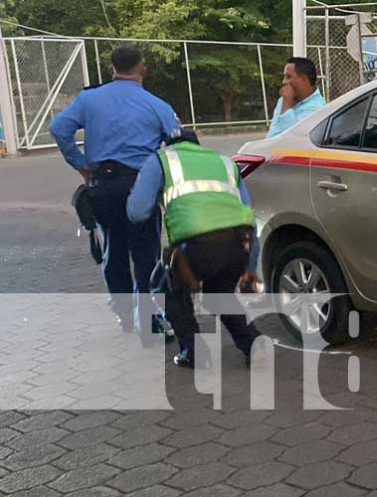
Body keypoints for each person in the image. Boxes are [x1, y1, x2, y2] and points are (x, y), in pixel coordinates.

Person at [50, 45, 181, 338]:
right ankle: (148, 319)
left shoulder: (89, 100)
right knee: (146, 252)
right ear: (142, 70)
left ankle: (124, 315)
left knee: (115, 249)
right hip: (141, 187)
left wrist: (82, 165)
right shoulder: (157, 105)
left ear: (112, 69)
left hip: (103, 184)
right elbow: (177, 142)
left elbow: (59, 128)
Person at [126, 130, 261, 368]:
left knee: (165, 289)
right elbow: (248, 212)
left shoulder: (161, 159)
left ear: (167, 145)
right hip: (240, 243)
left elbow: (137, 211)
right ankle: (254, 345)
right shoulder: (224, 162)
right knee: (218, 295)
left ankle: (195, 353)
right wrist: (250, 269)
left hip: (196, 245)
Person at [267, 57, 326, 138]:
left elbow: (292, 139)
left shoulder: (317, 109)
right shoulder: (284, 99)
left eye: (288, 77)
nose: (283, 82)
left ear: (303, 79)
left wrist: (287, 105)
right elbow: (272, 134)